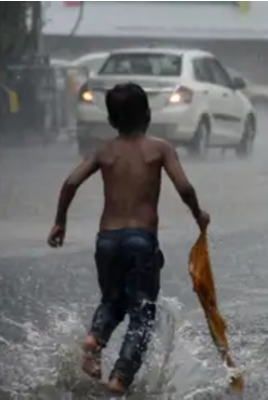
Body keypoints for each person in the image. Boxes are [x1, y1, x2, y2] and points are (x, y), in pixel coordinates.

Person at [46, 82, 210, 394]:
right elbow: (184, 187)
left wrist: (60, 222)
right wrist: (198, 214)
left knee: (111, 300)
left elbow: (70, 183)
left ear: (111, 120)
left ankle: (95, 338)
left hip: (106, 239)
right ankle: (120, 378)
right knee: (141, 312)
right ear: (148, 114)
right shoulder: (160, 149)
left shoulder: (104, 151)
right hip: (141, 240)